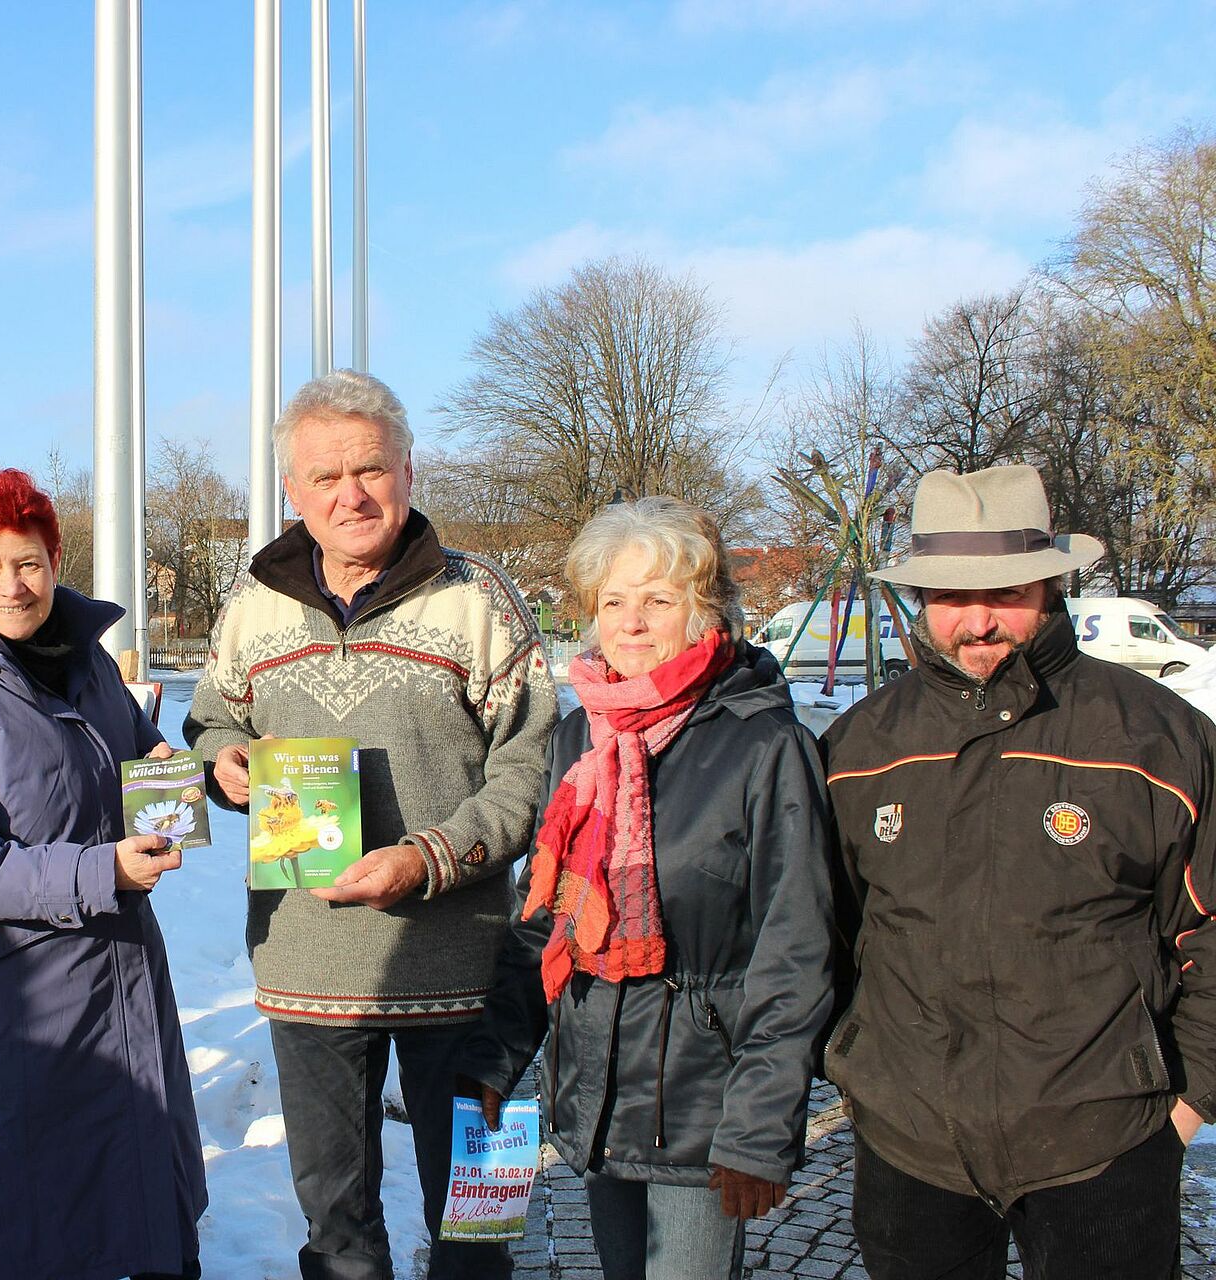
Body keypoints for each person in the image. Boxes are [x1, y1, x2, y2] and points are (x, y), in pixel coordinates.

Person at [185, 369, 559, 1280]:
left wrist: (427, 860)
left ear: (408, 470)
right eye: (325, 477)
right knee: (337, 1232)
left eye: (371, 469)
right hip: (307, 963)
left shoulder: (482, 598)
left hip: (464, 965)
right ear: (292, 492)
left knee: (478, 1226)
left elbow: (530, 766)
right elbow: (211, 718)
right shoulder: (253, 601)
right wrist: (222, 761)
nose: (351, 495)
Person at [821, 463, 1216, 1280]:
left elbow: (1207, 928)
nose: (979, 622)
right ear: (921, 602)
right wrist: (859, 1073)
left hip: (1105, 1143)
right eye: (953, 596)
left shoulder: (1155, 737)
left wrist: (1189, 1103)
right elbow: (827, 931)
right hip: (909, 1143)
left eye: (1005, 592)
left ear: (1051, 585)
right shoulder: (858, 750)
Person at [457, 496, 836, 1280]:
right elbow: (549, 914)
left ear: (703, 613)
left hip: (706, 1107)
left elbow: (796, 947)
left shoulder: (766, 746)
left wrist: (761, 1127)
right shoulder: (582, 737)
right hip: (598, 1096)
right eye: (614, 601)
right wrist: (496, 1054)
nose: (631, 622)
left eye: (658, 600)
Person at [0, 469, 206, 1280]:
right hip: (10, 1002)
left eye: (26, 563)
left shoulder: (88, 665)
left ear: (56, 558)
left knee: (133, 1200)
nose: (10, 587)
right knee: (28, 1228)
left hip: (118, 980)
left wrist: (164, 771)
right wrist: (101, 872)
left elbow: (127, 756)